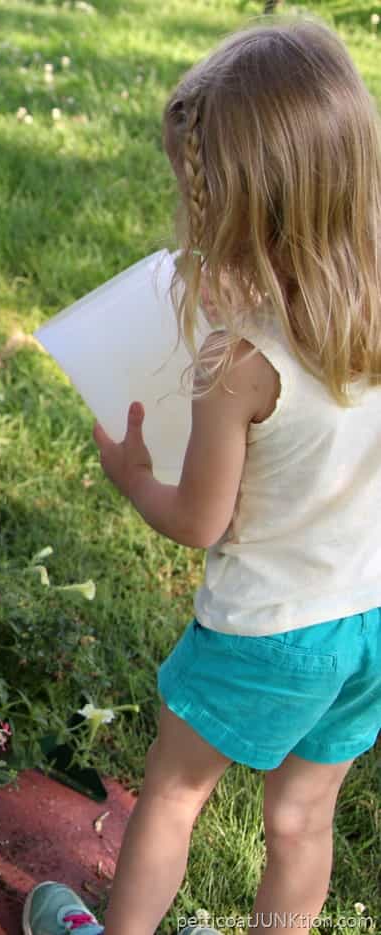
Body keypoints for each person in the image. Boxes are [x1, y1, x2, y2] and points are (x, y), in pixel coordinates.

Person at [23, 15, 381, 935]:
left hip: (266, 630)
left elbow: (201, 521)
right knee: (303, 817)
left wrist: (134, 470)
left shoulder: (239, 362)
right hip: (367, 622)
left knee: (172, 796)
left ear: (250, 208)